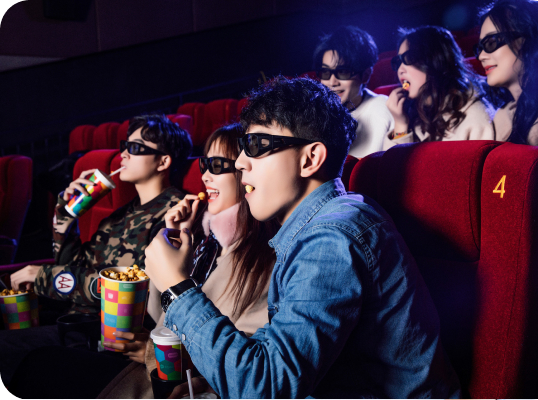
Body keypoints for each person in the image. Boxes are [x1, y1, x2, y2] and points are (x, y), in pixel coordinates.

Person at [144, 77, 462, 398]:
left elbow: (266, 387)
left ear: (310, 159)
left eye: (256, 145)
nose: (239, 163)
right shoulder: (316, 228)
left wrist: (177, 287)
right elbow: (277, 356)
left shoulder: (332, 237)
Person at [1, 114, 192, 385]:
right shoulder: (119, 216)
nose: (123, 153)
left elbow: (136, 289)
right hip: (73, 317)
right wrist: (65, 217)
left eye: (135, 148)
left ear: (163, 161)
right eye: (124, 145)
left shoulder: (175, 214)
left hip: (106, 334)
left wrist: (43, 276)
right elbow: (77, 265)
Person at [98, 123, 279, 399]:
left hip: (176, 384)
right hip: (150, 373)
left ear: (247, 172)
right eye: (204, 164)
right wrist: (173, 238)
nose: (205, 175)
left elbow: (242, 360)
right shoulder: (205, 242)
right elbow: (159, 318)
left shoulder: (263, 255)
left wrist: (153, 351)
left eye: (217, 165)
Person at [384, 25, 495, 149]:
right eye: (398, 62)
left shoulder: (475, 115)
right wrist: (400, 125)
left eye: (409, 58)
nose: (400, 70)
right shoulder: (410, 113)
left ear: (435, 60)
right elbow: (392, 162)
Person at [477, 0, 538, 155]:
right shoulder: (502, 117)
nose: (481, 56)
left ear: (530, 40)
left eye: (491, 43)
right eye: (480, 48)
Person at [313, 25, 394, 157]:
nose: (332, 82)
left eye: (342, 72)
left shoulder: (385, 108)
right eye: (325, 72)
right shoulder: (313, 114)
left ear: (365, 75)